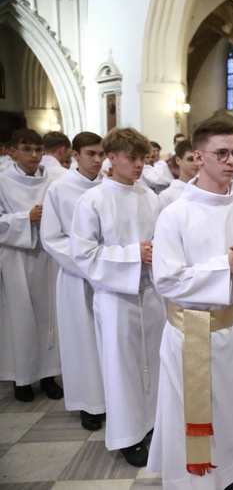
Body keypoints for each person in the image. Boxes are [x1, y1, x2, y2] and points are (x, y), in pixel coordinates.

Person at [148, 120, 233, 490]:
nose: (232, 160)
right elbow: (166, 279)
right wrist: (226, 267)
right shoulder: (175, 214)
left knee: (230, 411)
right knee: (191, 413)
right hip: (190, 332)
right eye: (222, 153)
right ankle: (193, 482)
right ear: (198, 157)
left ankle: (227, 475)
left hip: (230, 329)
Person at [70, 127, 165, 467]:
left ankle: (153, 424)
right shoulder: (93, 199)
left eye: (143, 158)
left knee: (153, 362)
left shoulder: (149, 196)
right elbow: (82, 254)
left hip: (151, 292)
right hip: (115, 296)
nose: (140, 165)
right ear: (111, 158)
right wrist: (132, 254)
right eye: (132, 158)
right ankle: (128, 436)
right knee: (122, 367)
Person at [40, 131, 106, 430]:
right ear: (74, 155)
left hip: (112, 276)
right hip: (78, 278)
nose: (97, 160)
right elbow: (52, 237)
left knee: (109, 344)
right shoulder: (59, 189)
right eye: (90, 154)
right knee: (82, 343)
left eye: (101, 153)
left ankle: (114, 399)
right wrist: (90, 262)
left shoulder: (111, 186)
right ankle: (88, 404)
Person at [0, 128, 63, 403]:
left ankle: (50, 375)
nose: (34, 155)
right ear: (11, 151)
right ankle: (22, 378)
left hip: (47, 256)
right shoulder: (2, 182)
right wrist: (27, 217)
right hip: (15, 259)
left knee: (50, 317)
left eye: (38, 149)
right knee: (20, 320)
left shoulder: (54, 181)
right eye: (27, 149)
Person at [158, 140, 198, 211]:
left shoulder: (205, 190)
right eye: (190, 159)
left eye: (198, 159)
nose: (196, 163)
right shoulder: (167, 195)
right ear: (178, 160)